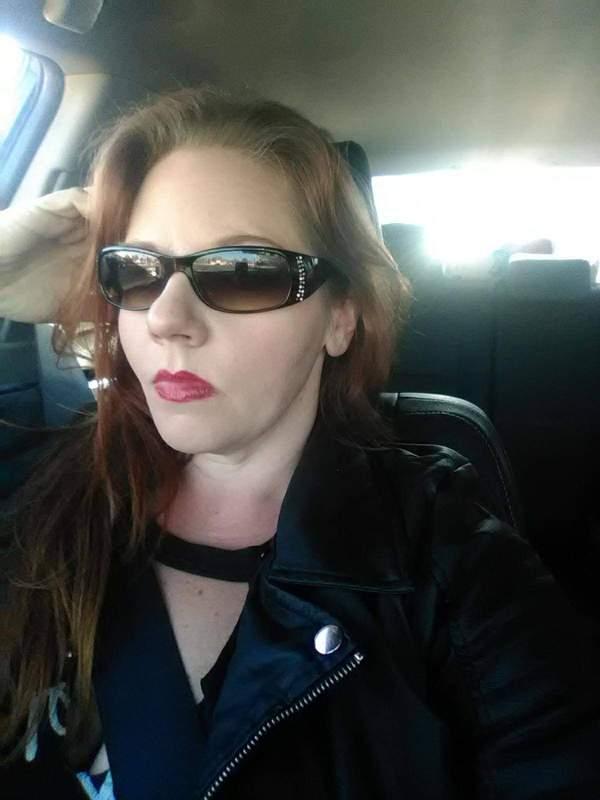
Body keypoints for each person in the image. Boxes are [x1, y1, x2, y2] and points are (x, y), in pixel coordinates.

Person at [1, 86, 600, 800]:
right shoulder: (40, 492)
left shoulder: (451, 567)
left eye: (243, 272)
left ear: (340, 318)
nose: (164, 317)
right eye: (136, 269)